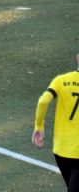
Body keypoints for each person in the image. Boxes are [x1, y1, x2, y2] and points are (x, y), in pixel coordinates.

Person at [32, 54, 79, 191]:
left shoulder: (60, 81)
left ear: (77, 58)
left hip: (61, 151)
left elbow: (43, 101)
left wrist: (39, 126)